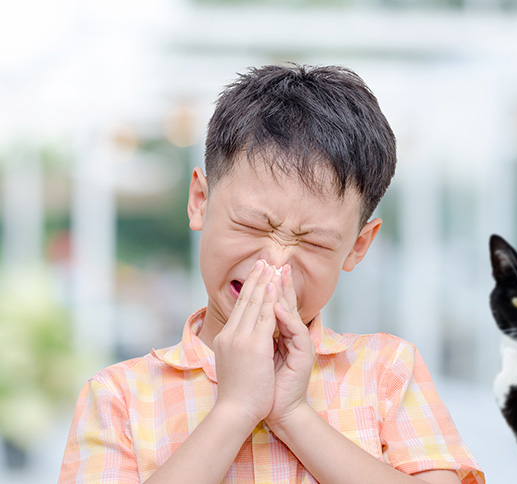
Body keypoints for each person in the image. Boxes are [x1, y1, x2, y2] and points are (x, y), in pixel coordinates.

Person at [58, 64, 484, 484]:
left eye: (315, 242)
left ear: (357, 246)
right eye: (252, 225)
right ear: (200, 201)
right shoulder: (119, 398)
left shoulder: (387, 370)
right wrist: (234, 409)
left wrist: (293, 414)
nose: (275, 263)